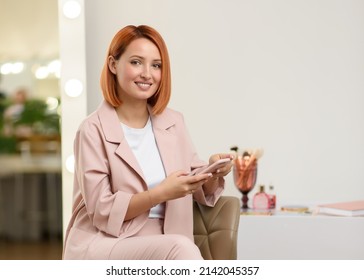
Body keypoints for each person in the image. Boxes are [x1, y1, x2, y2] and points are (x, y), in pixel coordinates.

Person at [62, 25, 233, 260]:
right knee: (181, 249)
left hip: (167, 235)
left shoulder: (174, 122)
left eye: (156, 65)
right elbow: (102, 211)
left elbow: (196, 185)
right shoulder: (92, 130)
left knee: (180, 247)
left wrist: (213, 171)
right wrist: (160, 193)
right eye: (136, 62)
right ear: (113, 64)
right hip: (108, 240)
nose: (147, 74)